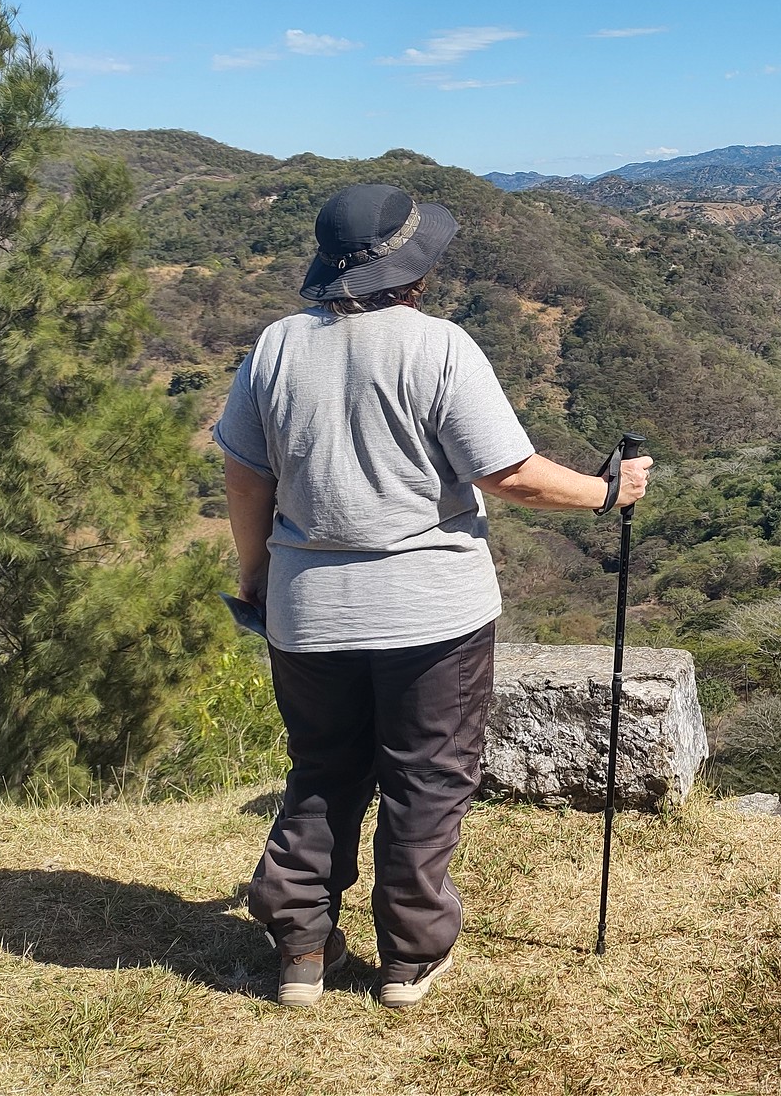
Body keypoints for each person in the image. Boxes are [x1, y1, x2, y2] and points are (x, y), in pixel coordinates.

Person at [214, 182, 651, 1010]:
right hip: (432, 614)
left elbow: (244, 476)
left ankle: (300, 948)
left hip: (309, 612)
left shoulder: (276, 346)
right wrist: (608, 493)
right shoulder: (439, 346)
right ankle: (408, 959)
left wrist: (256, 574)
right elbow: (509, 474)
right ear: (414, 268)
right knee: (427, 778)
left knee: (322, 771)